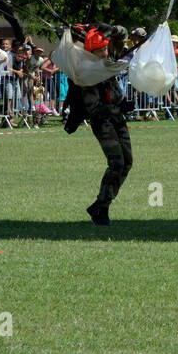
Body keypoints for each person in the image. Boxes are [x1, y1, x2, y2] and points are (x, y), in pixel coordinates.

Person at [63, 24, 140, 226]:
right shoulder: (87, 74)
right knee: (116, 163)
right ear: (92, 52)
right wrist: (119, 108)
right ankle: (102, 208)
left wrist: (112, 28)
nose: (106, 52)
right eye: (101, 50)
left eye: (106, 49)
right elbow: (94, 108)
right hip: (103, 123)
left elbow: (122, 35)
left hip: (117, 119)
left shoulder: (106, 61)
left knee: (128, 162)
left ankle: (100, 204)